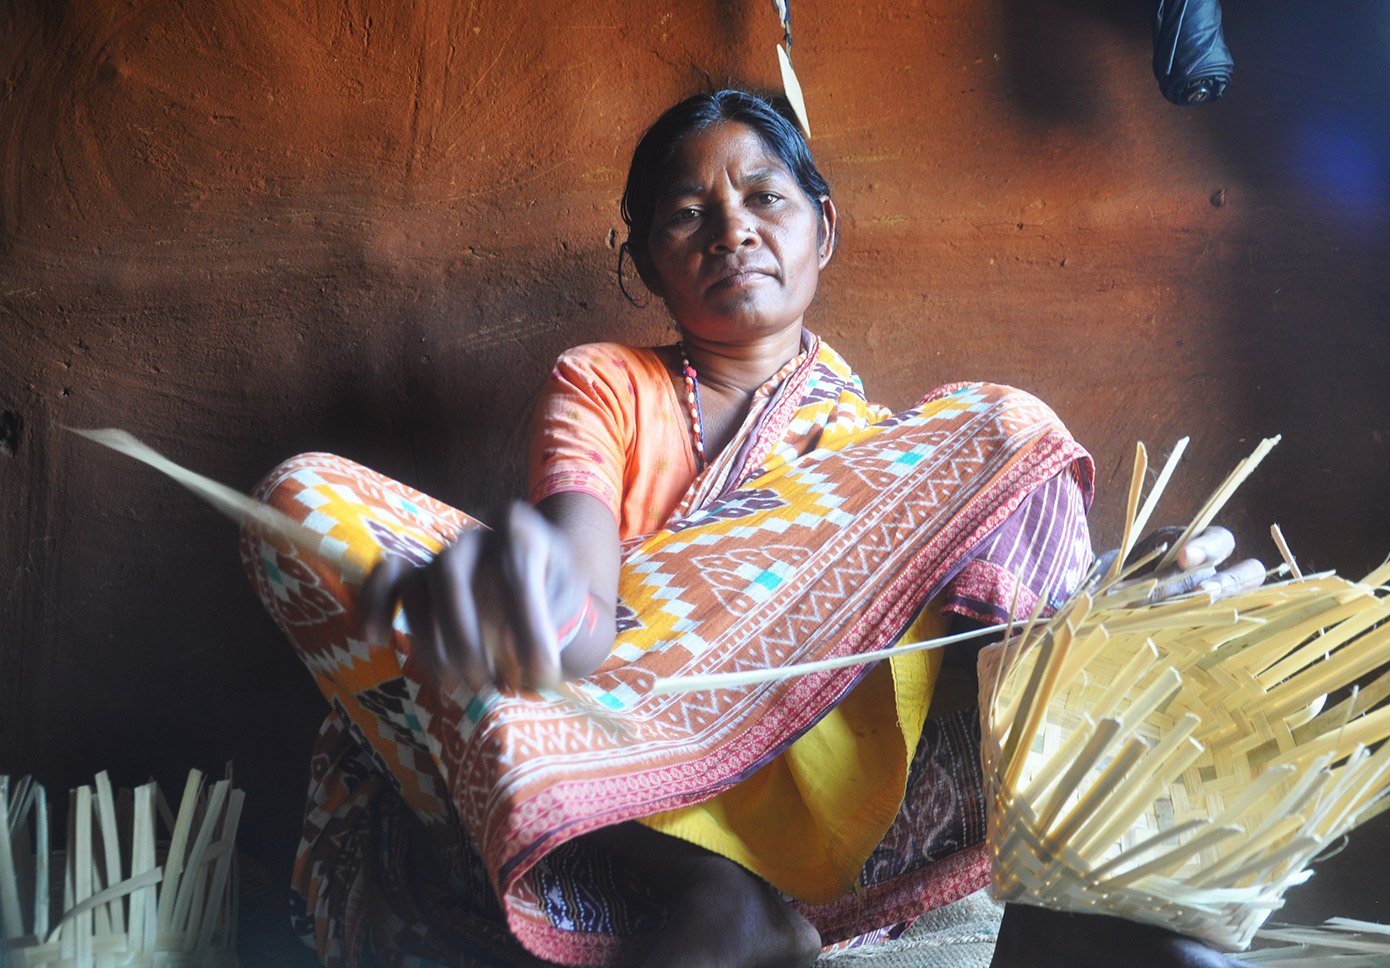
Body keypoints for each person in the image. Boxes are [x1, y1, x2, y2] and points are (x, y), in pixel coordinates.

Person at [243, 90, 1264, 967]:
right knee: (302, 499)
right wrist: (528, 589)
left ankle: (791, 898)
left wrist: (1111, 600)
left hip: (851, 804)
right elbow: (587, 610)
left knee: (1004, 427)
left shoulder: (893, 454)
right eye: (686, 214)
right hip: (615, 771)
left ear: (822, 228)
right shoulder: (605, 382)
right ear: (644, 258)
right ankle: (709, 889)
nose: (730, 228)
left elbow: (976, 656)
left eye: (763, 196)